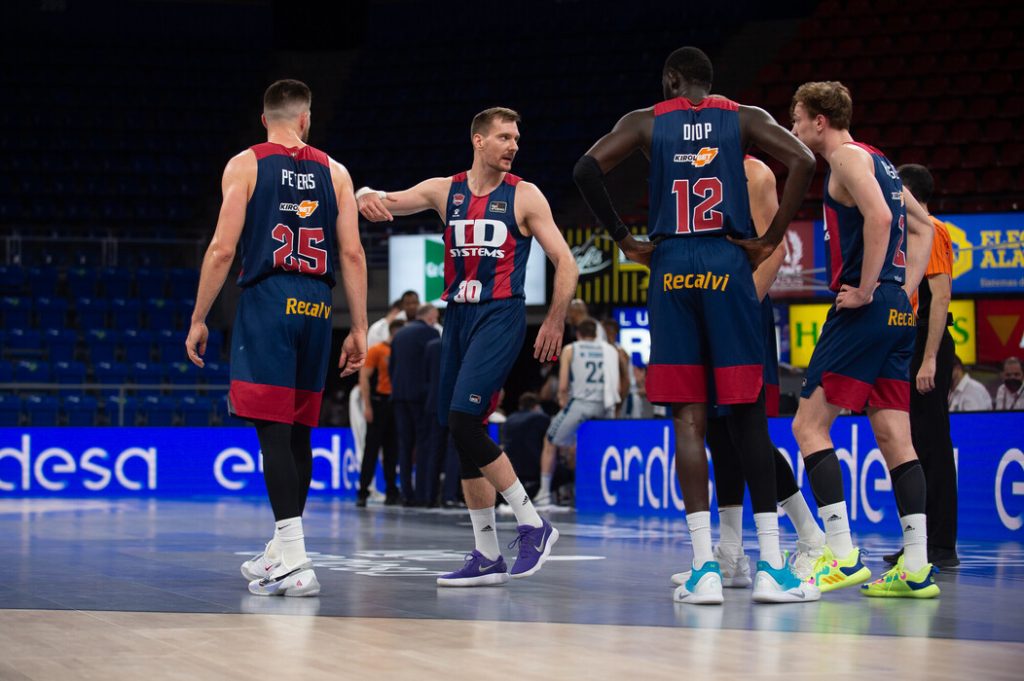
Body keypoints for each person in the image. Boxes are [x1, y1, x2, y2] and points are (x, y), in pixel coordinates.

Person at [574, 46, 818, 604]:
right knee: (749, 418)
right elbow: (803, 159)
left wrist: (624, 239)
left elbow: (585, 169)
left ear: (670, 80)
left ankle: (705, 568)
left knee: (689, 420)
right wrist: (772, 236)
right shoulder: (745, 118)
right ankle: (772, 568)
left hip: (670, 267)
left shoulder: (645, 123)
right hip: (725, 262)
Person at [357, 107, 578, 586]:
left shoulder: (525, 194)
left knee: (462, 419)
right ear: (478, 140)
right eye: (503, 136)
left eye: (516, 137)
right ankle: (486, 553)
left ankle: (533, 522)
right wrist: (363, 194)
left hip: (500, 315)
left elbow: (567, 262)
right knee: (460, 430)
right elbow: (389, 200)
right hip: (456, 317)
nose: (513, 145)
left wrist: (556, 320)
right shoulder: (445, 190)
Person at [185, 79, 368, 597]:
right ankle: (279, 550)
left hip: (269, 299)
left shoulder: (245, 163)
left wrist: (200, 316)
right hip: (317, 303)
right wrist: (357, 326)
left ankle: (294, 558)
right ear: (305, 119)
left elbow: (223, 248)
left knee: (271, 433)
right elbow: (353, 255)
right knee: (298, 432)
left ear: (265, 119)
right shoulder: (336, 171)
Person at [789, 80, 939, 598]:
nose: (794, 127)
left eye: (797, 118)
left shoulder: (847, 159)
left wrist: (870, 289)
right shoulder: (882, 161)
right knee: (896, 438)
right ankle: (916, 567)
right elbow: (927, 230)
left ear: (819, 122)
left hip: (866, 309)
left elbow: (878, 218)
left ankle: (843, 556)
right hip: (897, 313)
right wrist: (904, 289)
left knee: (808, 426)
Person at [673, 156, 826, 591]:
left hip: (739, 313)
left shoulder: (754, 172)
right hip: (703, 309)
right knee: (719, 433)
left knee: (746, 430)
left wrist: (734, 309)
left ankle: (811, 536)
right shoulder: (686, 166)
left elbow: (774, 250)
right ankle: (732, 552)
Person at [883, 164, 959, 568]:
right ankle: (918, 542)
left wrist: (929, 358)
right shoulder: (908, 235)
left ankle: (942, 545)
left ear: (908, 193)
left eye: (897, 192)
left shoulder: (931, 229)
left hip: (929, 348)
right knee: (912, 446)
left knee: (934, 445)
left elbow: (941, 297)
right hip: (909, 346)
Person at [536, 317, 625, 507]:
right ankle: (593, 494)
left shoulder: (571, 349)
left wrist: (563, 403)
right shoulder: (610, 351)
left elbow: (562, 386)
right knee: (592, 449)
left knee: (550, 441)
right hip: (604, 406)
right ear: (596, 334)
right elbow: (617, 385)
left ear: (578, 333)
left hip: (580, 404)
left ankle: (544, 492)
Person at [389, 304, 440, 505]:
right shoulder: (431, 333)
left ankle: (406, 494)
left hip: (399, 395)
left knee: (404, 445)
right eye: (435, 317)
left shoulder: (399, 334)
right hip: (420, 397)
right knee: (423, 445)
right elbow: (433, 366)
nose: (436, 321)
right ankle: (422, 494)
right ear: (428, 317)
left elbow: (392, 366)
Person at [356, 318, 403, 507]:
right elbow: (364, 377)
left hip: (397, 404)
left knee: (392, 451)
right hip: (379, 403)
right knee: (371, 450)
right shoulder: (378, 350)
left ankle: (392, 491)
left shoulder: (403, 353)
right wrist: (367, 406)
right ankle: (363, 491)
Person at [501, 392, 551, 499]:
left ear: (520, 406)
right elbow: (551, 445)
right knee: (566, 471)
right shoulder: (542, 418)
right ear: (537, 407)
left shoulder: (508, 420)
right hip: (535, 470)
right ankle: (547, 496)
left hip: (511, 472)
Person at [601, 317, 642, 418]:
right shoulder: (602, 349)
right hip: (610, 398)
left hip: (625, 397)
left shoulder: (620, 352)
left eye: (610, 331)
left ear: (614, 333)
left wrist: (619, 405)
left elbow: (626, 380)